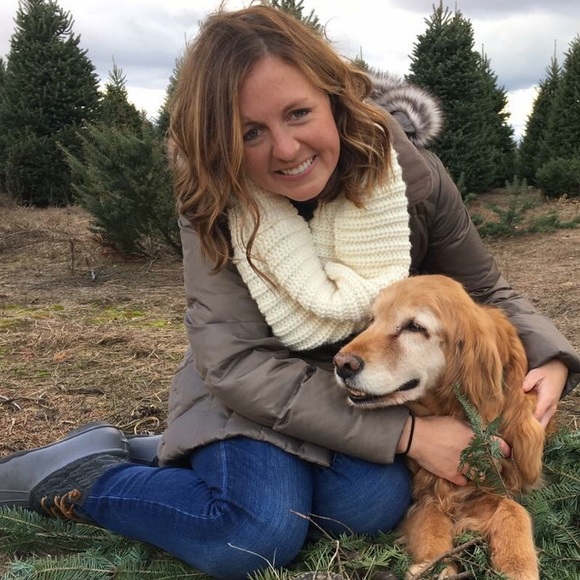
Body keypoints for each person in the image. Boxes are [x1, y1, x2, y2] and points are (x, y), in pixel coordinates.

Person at [1, 5, 579, 579]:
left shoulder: (412, 176)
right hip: (247, 393)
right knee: (252, 534)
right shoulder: (213, 201)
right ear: (222, 144)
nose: (285, 149)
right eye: (250, 132)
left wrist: (551, 358)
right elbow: (235, 363)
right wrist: (409, 433)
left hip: (351, 388)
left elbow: (482, 287)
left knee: (371, 503)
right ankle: (88, 477)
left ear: (334, 98)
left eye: (298, 113)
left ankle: (176, 457)